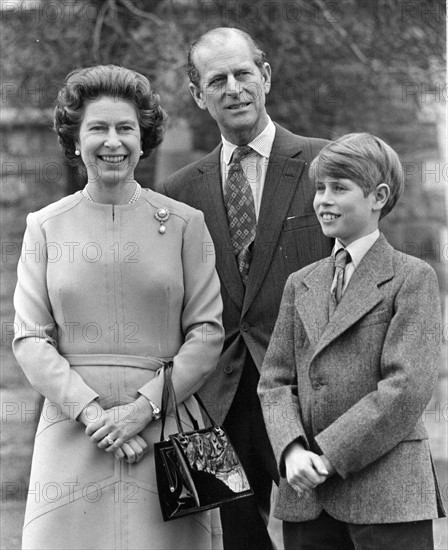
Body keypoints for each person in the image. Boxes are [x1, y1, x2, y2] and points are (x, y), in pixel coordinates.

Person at [13, 64, 224, 550]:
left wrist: (141, 410)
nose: (114, 141)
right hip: (73, 434)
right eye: (98, 128)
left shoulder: (188, 224)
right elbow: (30, 338)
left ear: (143, 137)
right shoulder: (43, 226)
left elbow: (207, 333)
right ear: (74, 140)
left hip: (167, 430)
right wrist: (93, 416)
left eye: (126, 128)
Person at [161, 27, 333, 550]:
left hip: (308, 397)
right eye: (218, 80)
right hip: (212, 405)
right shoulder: (177, 192)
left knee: (317, 538)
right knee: (229, 543)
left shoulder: (326, 165)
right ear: (198, 95)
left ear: (265, 77)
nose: (233, 88)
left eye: (242, 74)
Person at [258, 133, 446, 550]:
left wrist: (326, 455)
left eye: (338, 188)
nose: (323, 199)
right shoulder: (300, 282)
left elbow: (406, 387)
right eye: (319, 189)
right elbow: (274, 382)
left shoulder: (411, 278)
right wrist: (292, 452)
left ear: (378, 196)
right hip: (306, 495)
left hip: (386, 492)